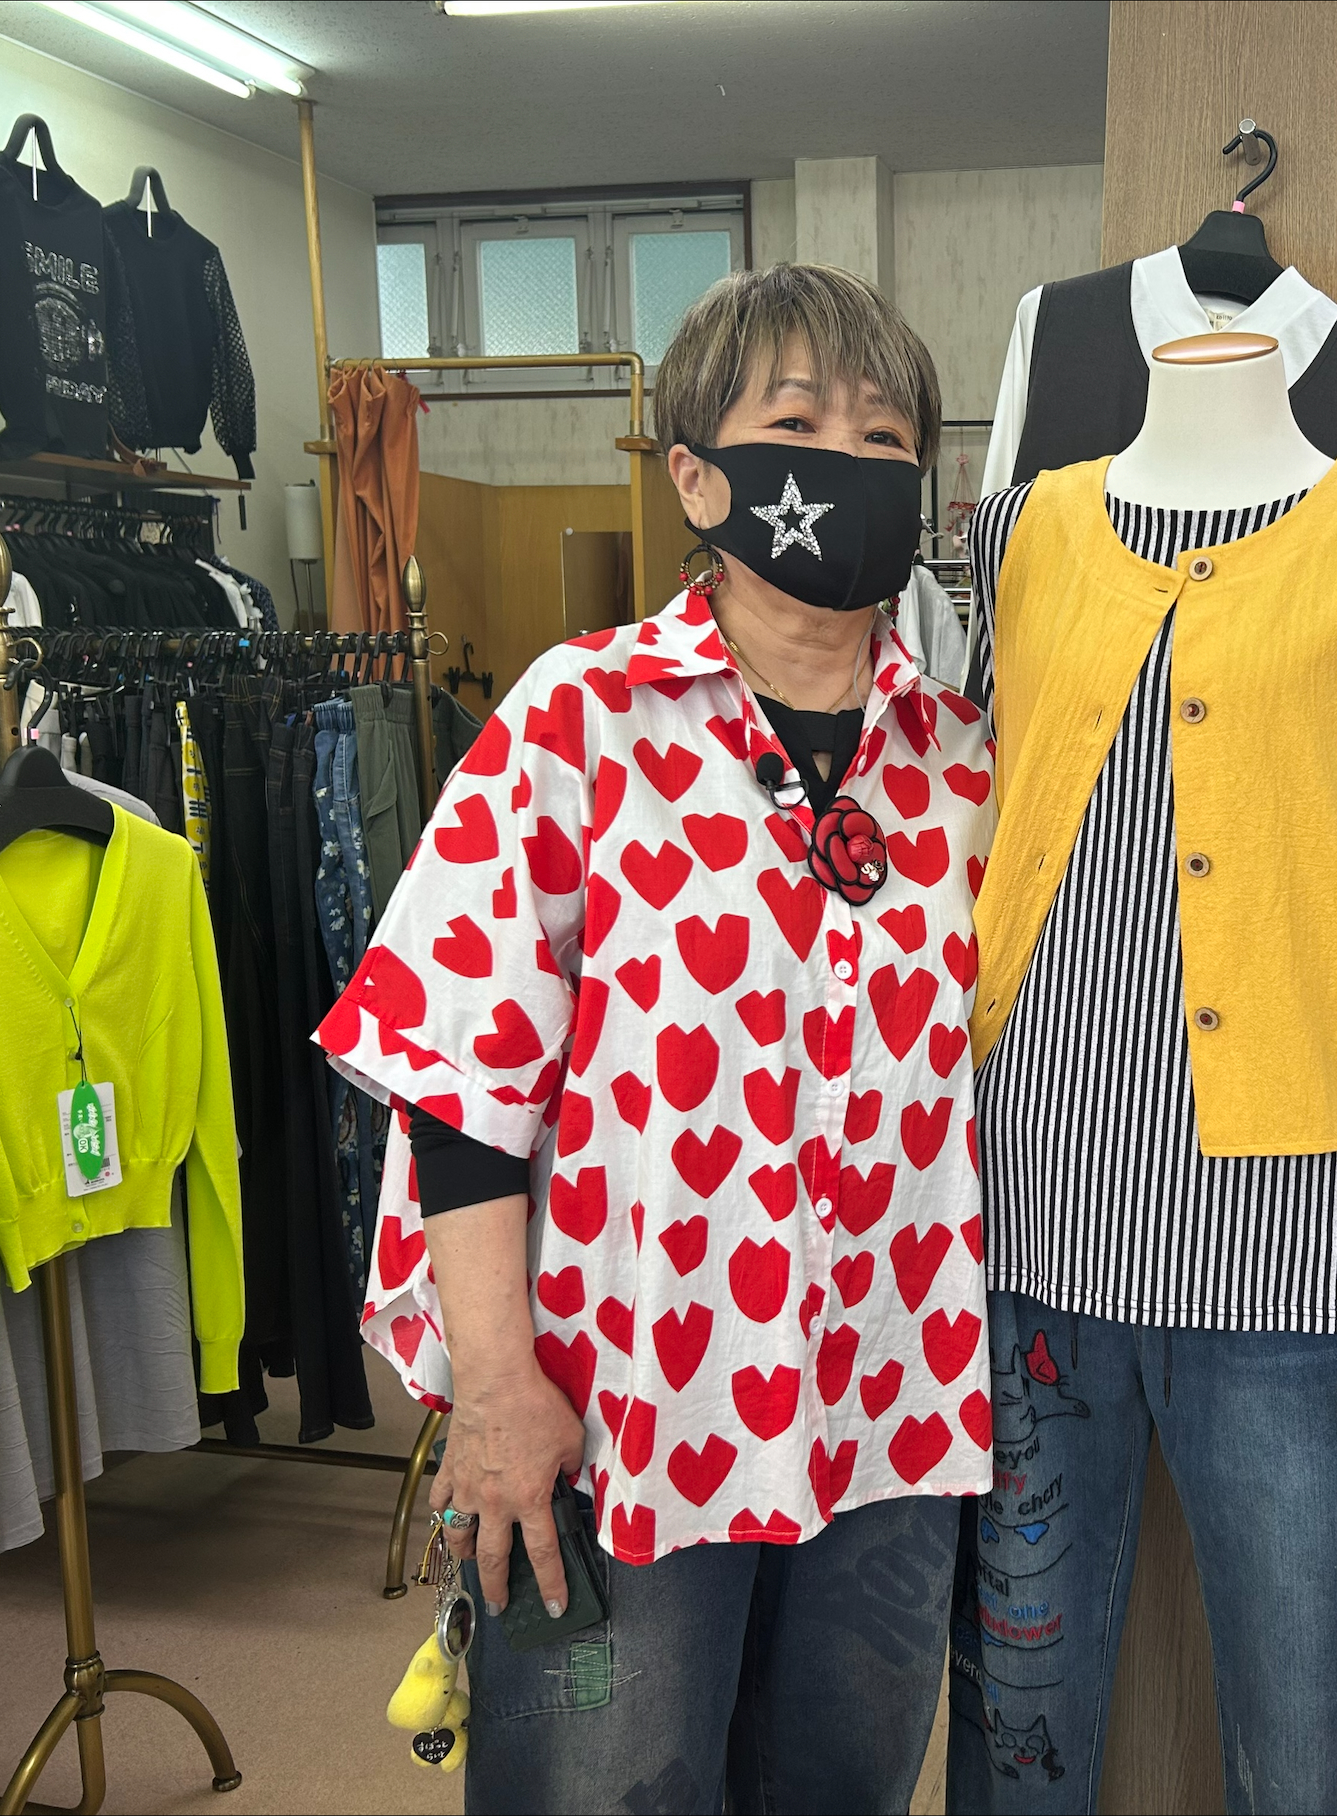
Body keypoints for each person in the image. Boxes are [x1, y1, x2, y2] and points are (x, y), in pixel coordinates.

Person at [316, 265, 996, 1814]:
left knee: (841, 1789)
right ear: (696, 476)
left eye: (886, 436)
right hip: (625, 1412)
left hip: (887, 1410)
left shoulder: (964, 764)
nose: (849, 460)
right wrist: (497, 1393)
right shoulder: (581, 722)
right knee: (605, 1790)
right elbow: (459, 1072)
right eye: (798, 424)